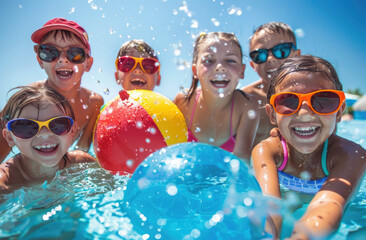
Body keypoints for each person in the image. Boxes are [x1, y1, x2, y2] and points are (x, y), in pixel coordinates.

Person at [251, 55, 366, 239]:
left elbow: (329, 205)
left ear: (339, 111)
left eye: (324, 100)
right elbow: (269, 205)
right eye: (288, 101)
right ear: (272, 114)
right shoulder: (268, 151)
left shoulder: (351, 155)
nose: (304, 113)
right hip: (289, 200)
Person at [0, 18, 104, 163]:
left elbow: (82, 158)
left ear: (88, 63)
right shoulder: (23, 102)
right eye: (49, 51)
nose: (62, 59)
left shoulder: (94, 103)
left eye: (75, 53)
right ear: (40, 60)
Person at [173, 32, 260, 161]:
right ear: (194, 71)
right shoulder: (184, 102)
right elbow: (171, 152)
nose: (220, 67)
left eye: (230, 60)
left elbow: (243, 161)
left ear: (242, 71)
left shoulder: (247, 106)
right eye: (209, 61)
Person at [0, 86, 96, 193]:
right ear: (9, 137)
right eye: (26, 126)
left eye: (59, 124)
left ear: (72, 131)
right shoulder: (4, 184)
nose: (45, 134)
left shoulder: (82, 163)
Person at [242, 22, 301, 148]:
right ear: (253, 65)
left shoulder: (312, 96)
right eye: (260, 55)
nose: (270, 59)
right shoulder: (245, 99)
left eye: (281, 51)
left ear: (297, 56)